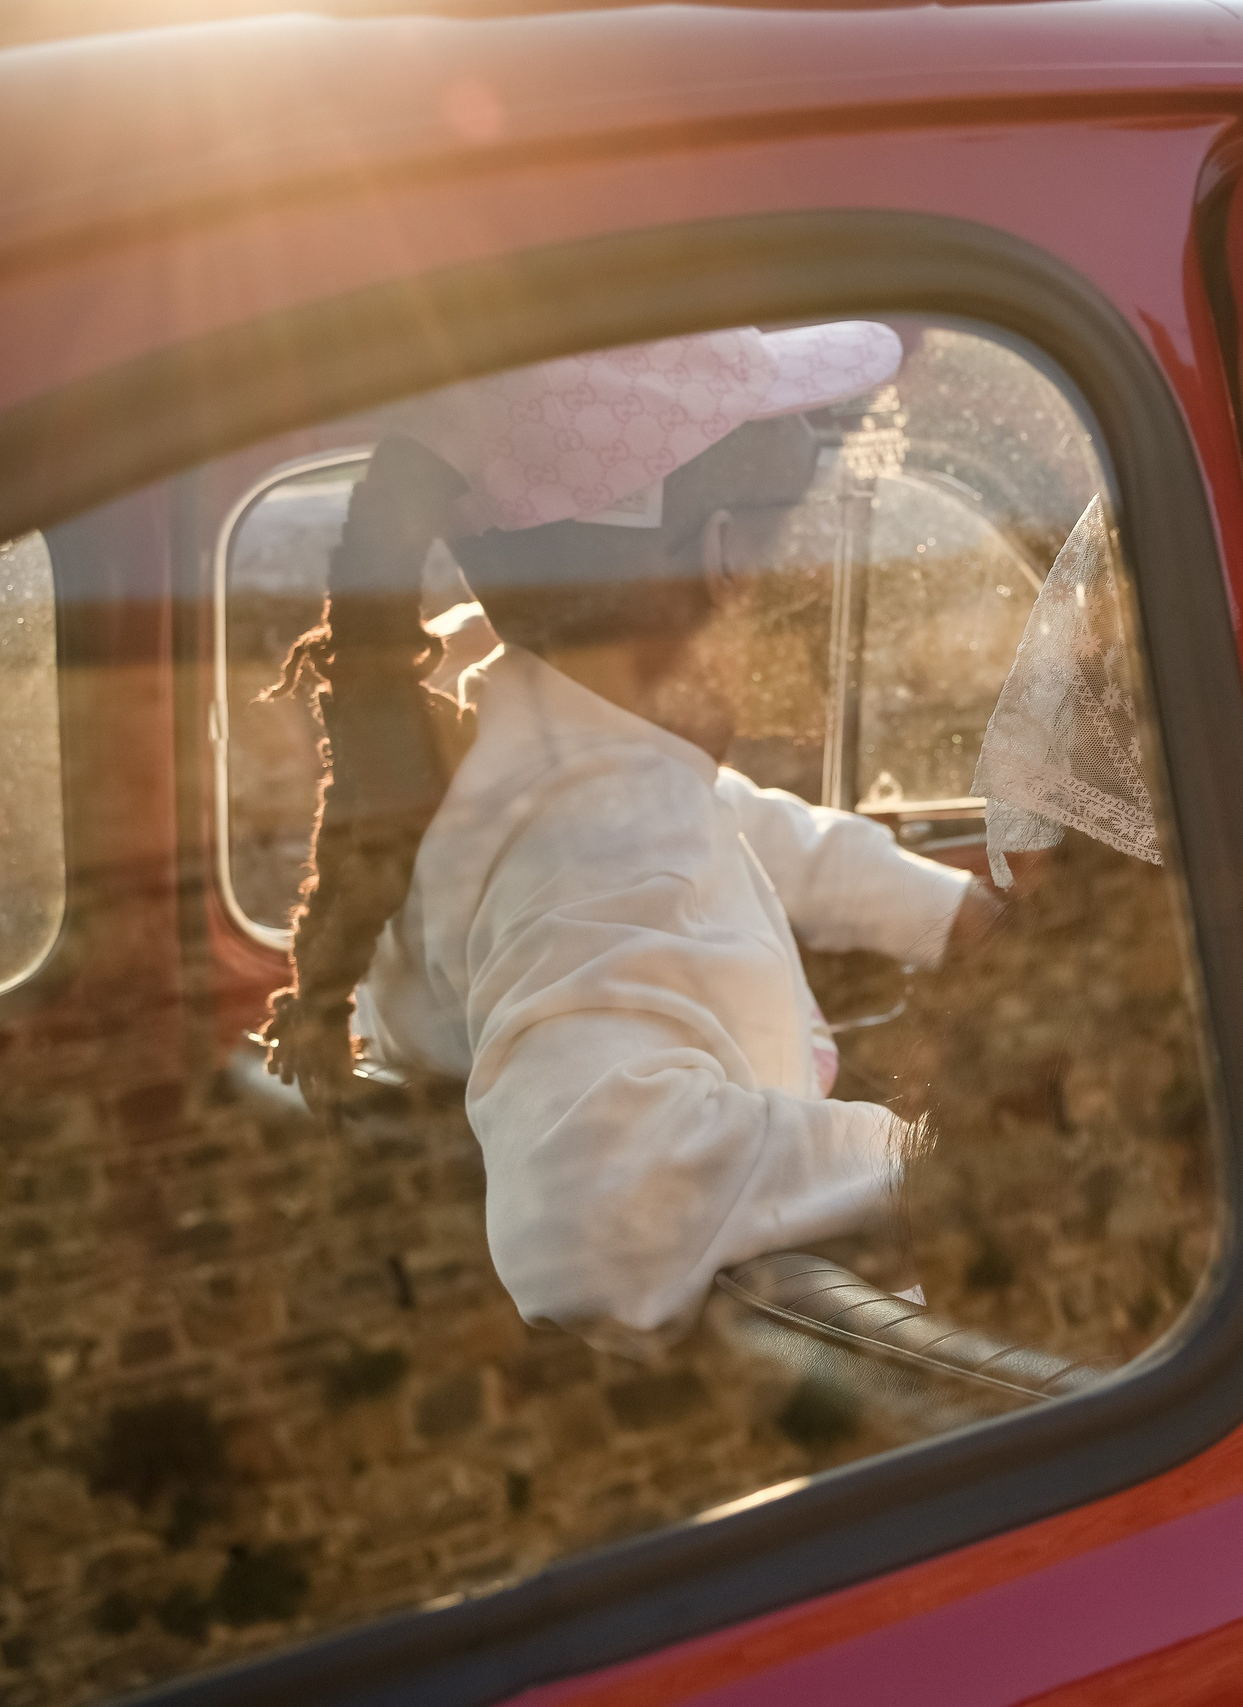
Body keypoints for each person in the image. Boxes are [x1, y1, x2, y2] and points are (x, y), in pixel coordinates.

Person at [258, 322, 999, 1357]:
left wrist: (952, 912)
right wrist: (953, 1157)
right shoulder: (605, 842)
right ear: (727, 562)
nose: (826, 574)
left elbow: (729, 819)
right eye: (813, 523)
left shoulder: (536, 748)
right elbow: (593, 1213)